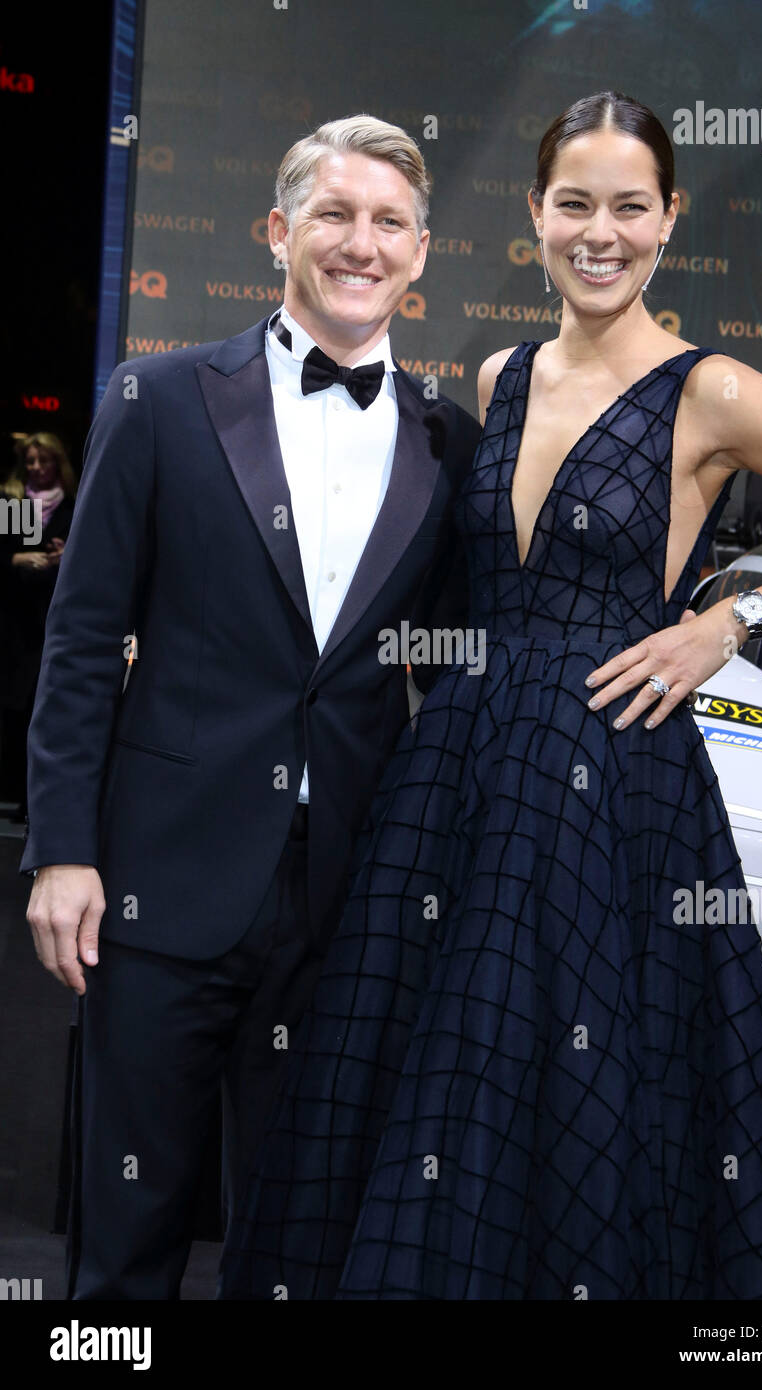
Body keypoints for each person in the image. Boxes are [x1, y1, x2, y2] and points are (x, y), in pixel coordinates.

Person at [219, 90, 762, 1300]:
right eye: (575, 203)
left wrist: (732, 622)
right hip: (455, 776)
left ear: (670, 219)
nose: (599, 232)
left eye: (630, 206)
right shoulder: (501, 371)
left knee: (579, 1095)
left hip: (610, 786)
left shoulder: (710, 388)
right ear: (535, 214)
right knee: (441, 1085)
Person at [20, 115, 481, 1300]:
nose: (359, 244)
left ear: (423, 254)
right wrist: (62, 850)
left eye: (389, 224)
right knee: (126, 1242)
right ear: (279, 230)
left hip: (346, 904)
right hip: (160, 882)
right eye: (334, 214)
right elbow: (79, 640)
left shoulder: (450, 441)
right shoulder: (162, 397)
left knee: (296, 1249)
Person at [0, 433, 76, 820]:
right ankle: (13, 794)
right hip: (17, 624)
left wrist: (70, 557)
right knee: (13, 709)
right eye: (29, 462)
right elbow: (13, 557)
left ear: (56, 463)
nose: (35, 468)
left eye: (42, 461)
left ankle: (34, 802)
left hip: (55, 622)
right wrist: (18, 559)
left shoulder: (75, 504)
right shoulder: (17, 503)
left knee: (42, 710)